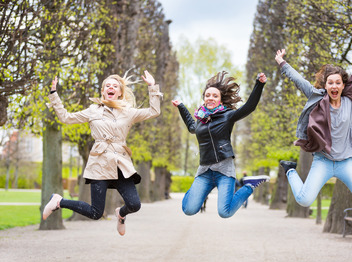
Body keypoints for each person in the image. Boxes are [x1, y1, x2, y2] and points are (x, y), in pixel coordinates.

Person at [42, 71, 162, 236]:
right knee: (95, 213)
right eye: (107, 86)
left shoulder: (129, 112)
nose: (111, 88)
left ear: (120, 92)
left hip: (121, 162)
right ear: (103, 91)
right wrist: (54, 95)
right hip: (100, 162)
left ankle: (121, 214)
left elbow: (154, 111)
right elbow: (66, 118)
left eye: (115, 86)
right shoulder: (93, 110)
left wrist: (152, 86)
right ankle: (59, 201)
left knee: (134, 205)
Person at [275, 49, 352, 207]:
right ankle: (290, 170)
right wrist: (282, 62)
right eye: (330, 83)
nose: (334, 86)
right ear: (325, 85)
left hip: (345, 162)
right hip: (323, 161)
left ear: (343, 85)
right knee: (304, 200)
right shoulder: (318, 98)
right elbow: (299, 81)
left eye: (337, 82)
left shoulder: (350, 101)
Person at [172, 71, 269, 217]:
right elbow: (192, 127)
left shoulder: (227, 116)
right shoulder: (201, 120)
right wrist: (181, 106)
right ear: (204, 99)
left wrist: (259, 84)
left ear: (220, 101)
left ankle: (248, 186)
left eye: (215, 96)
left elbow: (249, 107)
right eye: (207, 95)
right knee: (189, 209)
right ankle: (194, 191)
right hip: (204, 170)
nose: (210, 98)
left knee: (225, 212)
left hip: (224, 169)